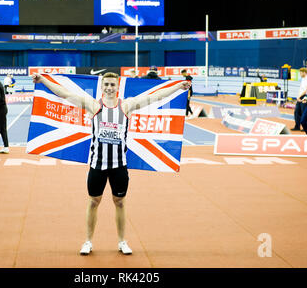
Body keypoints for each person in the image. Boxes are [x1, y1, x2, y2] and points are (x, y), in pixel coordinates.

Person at [32, 71, 191, 255]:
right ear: (102, 87)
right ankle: (88, 241)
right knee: (93, 201)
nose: (109, 88)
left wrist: (178, 86)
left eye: (112, 85)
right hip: (97, 165)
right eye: (106, 84)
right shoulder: (93, 105)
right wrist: (43, 79)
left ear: (117, 87)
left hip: (119, 166)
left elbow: (154, 97)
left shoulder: (127, 106)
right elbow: (65, 94)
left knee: (120, 202)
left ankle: (122, 241)